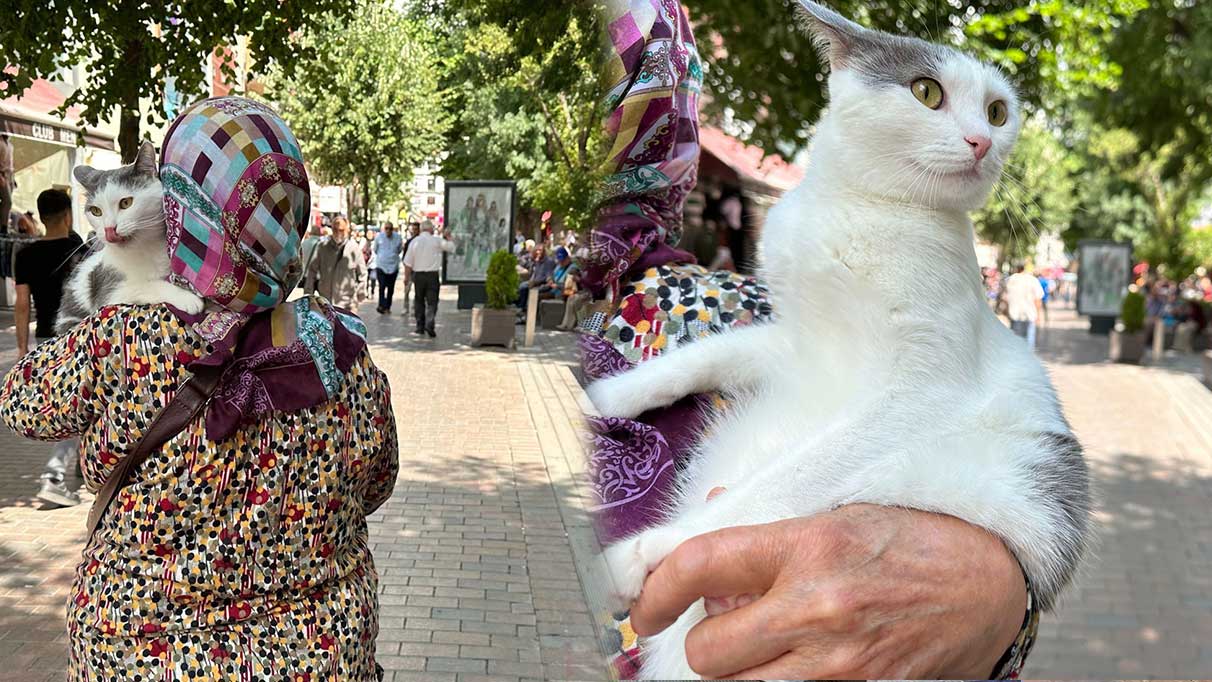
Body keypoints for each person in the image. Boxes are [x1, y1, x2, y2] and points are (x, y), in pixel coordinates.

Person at [578, 3, 1085, 678]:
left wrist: (993, 587)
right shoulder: (784, 246)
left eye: (996, 113)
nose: (977, 138)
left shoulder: (728, 294)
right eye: (931, 94)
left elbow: (937, 411)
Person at [1, 96, 398, 680]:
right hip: (316, 655)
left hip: (140, 651)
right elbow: (376, 483)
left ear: (184, 211)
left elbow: (24, 405)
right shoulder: (341, 354)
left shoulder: (121, 337)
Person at [13, 188, 85, 507]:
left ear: (41, 218)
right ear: (68, 215)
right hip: (78, 336)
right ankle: (54, 476)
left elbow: (21, 305)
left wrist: (22, 349)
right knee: (77, 405)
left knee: (74, 402)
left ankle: (84, 467)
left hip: (45, 339)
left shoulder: (25, 254)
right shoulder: (76, 246)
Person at [402, 220, 455, 338]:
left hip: (418, 276)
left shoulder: (414, 242)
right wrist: (448, 237)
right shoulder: (436, 240)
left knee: (419, 300)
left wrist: (406, 278)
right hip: (432, 275)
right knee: (432, 301)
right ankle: (429, 323)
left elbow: (408, 263)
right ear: (431, 229)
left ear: (421, 229)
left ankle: (420, 326)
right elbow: (451, 247)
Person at [306, 215, 367, 310]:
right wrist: (308, 295)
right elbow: (311, 271)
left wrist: (359, 295)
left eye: (341, 230)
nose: (338, 232)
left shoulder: (354, 249)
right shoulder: (322, 247)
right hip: (325, 303)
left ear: (347, 230)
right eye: (335, 229)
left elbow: (363, 274)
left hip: (347, 303)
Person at [1005, 264, 1045, 348]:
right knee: (1029, 342)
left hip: (1014, 314)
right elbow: (1038, 299)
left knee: (1015, 343)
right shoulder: (1032, 280)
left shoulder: (1010, 279)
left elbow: (1005, 298)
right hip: (1029, 314)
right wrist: (1038, 315)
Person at [372, 221, 403, 314]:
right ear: (384, 229)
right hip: (381, 265)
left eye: (390, 228)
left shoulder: (398, 237)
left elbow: (399, 250)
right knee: (381, 286)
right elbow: (375, 250)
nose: (388, 230)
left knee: (390, 288)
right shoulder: (379, 237)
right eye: (386, 228)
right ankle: (381, 305)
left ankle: (387, 306)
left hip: (393, 266)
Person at [0, 134, 13, 231]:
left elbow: (11, 163)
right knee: (7, 201)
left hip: (9, 176)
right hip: (2, 175)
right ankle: (3, 227)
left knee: (7, 202)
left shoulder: (10, 145)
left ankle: (4, 225)